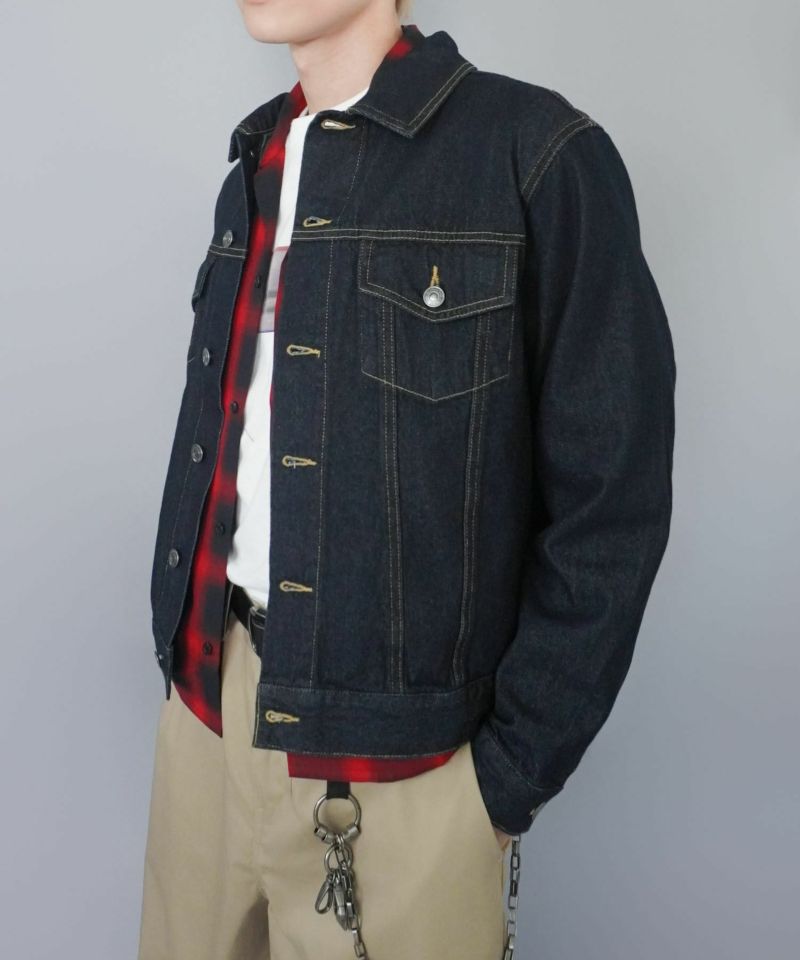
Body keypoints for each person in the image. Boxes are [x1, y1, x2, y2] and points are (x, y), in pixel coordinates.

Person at [137, 1, 676, 958]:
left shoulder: (536, 153)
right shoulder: (257, 159)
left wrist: (503, 781)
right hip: (206, 725)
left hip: (400, 775)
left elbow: (614, 497)